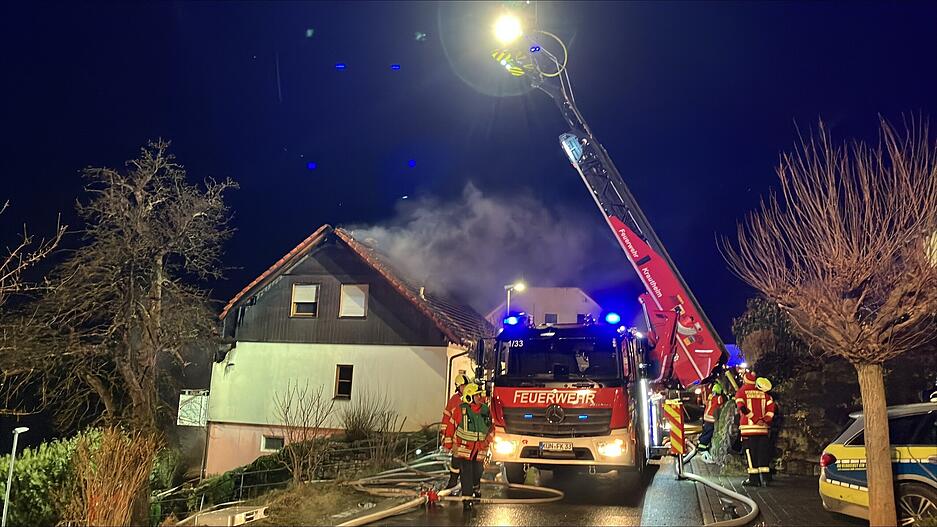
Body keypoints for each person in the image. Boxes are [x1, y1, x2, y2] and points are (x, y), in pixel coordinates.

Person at [441, 383, 493, 510]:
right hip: (464, 450)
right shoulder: (461, 409)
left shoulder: (485, 410)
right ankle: (467, 500)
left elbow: (491, 428)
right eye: (477, 395)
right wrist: (448, 444)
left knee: (477, 472)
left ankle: (476, 487)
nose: (480, 397)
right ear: (469, 397)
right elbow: (451, 426)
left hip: (480, 450)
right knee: (466, 475)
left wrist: (487, 441)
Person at [735, 371, 776, 487]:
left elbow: (742, 408)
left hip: (748, 428)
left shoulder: (741, 392)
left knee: (750, 453)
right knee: (763, 452)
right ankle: (766, 478)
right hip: (763, 429)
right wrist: (764, 420)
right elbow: (771, 410)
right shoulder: (764, 393)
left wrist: (754, 418)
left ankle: (754, 479)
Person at [441, 373, 472, 490]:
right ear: (458, 387)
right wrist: (444, 434)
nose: (464, 388)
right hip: (456, 436)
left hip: (470, 437)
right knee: (456, 460)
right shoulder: (454, 400)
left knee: (468, 462)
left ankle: (469, 485)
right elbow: (447, 417)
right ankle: (453, 481)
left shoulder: (472, 397)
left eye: (466, 385)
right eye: (462, 386)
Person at [698, 381, 726, 463]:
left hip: (706, 417)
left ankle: (701, 443)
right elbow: (721, 405)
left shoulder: (710, 396)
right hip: (712, 418)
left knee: (706, 431)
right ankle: (702, 447)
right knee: (709, 433)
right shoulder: (719, 398)